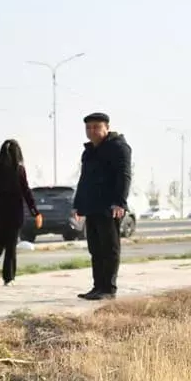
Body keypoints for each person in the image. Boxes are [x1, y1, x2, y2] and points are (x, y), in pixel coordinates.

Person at [72, 112, 132, 300]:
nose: (92, 131)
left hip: (110, 206)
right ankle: (97, 287)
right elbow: (84, 180)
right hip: (92, 206)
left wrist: (119, 202)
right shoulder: (89, 151)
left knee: (109, 248)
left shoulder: (118, 147)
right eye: (88, 128)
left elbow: (124, 175)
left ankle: (109, 288)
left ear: (106, 127)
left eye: (96, 127)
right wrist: (78, 205)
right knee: (95, 249)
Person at [0, 139, 42, 286]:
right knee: (11, 246)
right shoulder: (19, 169)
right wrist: (35, 212)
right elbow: (26, 191)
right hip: (14, 212)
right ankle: (9, 278)